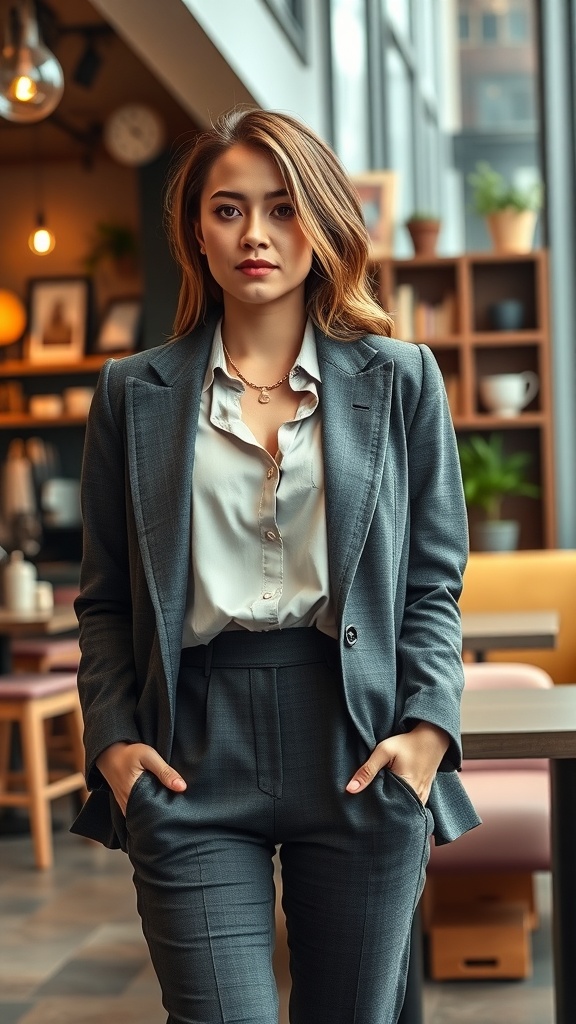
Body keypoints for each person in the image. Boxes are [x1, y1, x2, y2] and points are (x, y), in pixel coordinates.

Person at [71, 107, 480, 1024]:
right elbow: (102, 601)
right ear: (196, 234)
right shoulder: (131, 394)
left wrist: (424, 732)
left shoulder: (402, 379)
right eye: (228, 209)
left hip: (357, 738)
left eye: (284, 207)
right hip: (188, 749)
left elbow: (433, 584)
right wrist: (113, 743)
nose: (256, 233)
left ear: (324, 224)